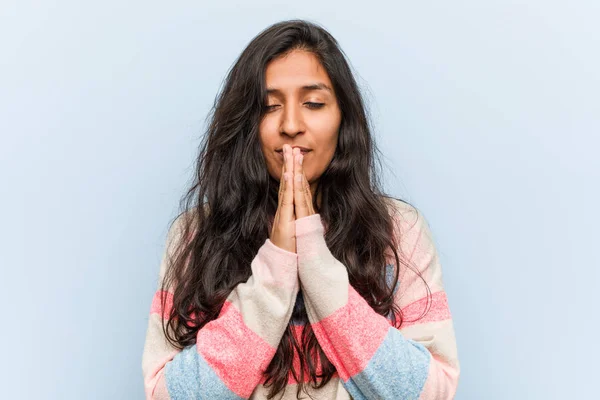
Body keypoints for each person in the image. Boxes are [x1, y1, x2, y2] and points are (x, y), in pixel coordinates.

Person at [141, 19, 460, 400]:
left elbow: (431, 392)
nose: (291, 124)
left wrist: (315, 262)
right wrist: (275, 268)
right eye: (269, 106)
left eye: (313, 103)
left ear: (343, 120)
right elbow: (164, 395)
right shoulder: (195, 235)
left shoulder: (398, 230)